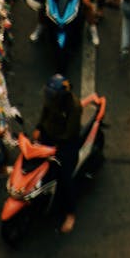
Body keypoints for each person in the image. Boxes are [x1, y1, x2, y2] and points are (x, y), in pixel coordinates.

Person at [33, 74, 82, 234]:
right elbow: (44, 112)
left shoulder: (74, 106)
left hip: (65, 143)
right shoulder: (51, 100)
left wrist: (54, 146)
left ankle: (70, 214)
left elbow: (70, 132)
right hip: (49, 135)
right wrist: (39, 127)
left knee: (65, 178)